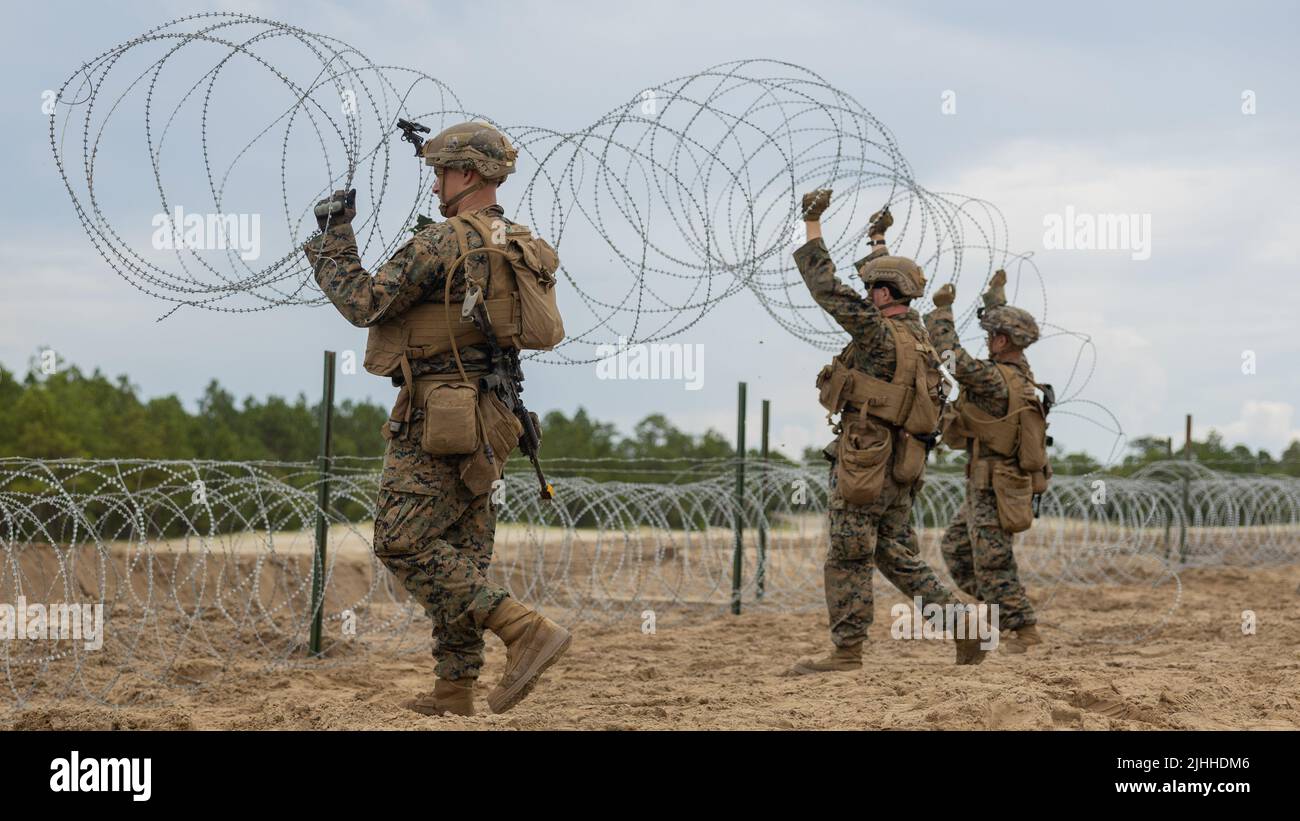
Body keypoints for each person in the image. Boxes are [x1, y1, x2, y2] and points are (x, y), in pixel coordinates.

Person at [302, 121, 570, 715]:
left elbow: (365, 302)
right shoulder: (516, 238)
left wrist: (332, 238)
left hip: (438, 414)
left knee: (400, 540)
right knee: (461, 550)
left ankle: (524, 629)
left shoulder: (444, 241)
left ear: (467, 173)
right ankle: (455, 689)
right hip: (495, 415)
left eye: (439, 172)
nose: (434, 187)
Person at [789, 189, 986, 673]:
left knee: (849, 555)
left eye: (873, 286)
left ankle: (847, 652)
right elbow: (881, 276)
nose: (868, 292)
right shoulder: (917, 334)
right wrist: (879, 239)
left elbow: (827, 289)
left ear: (882, 295)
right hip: (903, 465)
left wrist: (812, 223)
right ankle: (961, 624)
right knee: (895, 554)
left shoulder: (875, 334)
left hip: (865, 463)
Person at [924, 271, 1051, 653]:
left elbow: (952, 357)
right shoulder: (1020, 372)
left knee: (992, 560)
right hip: (989, 481)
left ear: (1001, 341)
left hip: (997, 483)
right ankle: (1005, 610)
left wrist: (941, 312)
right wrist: (995, 298)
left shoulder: (996, 379)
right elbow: (1003, 328)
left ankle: (1022, 628)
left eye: (991, 337)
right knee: (957, 550)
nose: (988, 342)